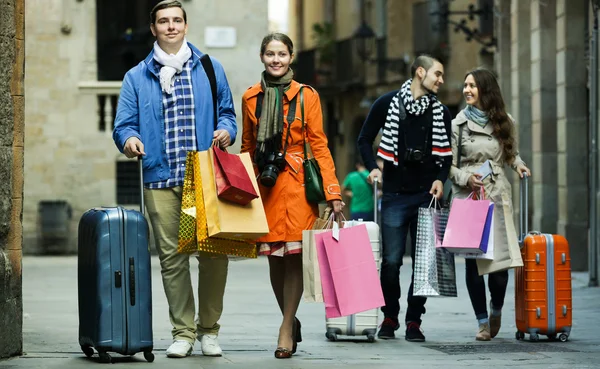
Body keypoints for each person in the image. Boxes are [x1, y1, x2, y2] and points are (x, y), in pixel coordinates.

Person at [112, 0, 236, 358]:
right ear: (153, 28)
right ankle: (183, 332)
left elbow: (227, 113)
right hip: (159, 178)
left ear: (185, 25)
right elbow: (124, 124)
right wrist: (129, 139)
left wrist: (226, 131)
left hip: (205, 177)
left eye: (177, 20)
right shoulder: (136, 76)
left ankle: (209, 330)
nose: (170, 26)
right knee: (172, 257)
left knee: (213, 255)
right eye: (163, 21)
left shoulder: (210, 67)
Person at [241, 33, 344, 359]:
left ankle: (286, 327)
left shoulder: (306, 96)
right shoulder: (250, 97)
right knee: (274, 256)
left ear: (291, 57)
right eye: (270, 54)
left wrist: (332, 191)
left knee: (295, 257)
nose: (276, 60)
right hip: (266, 187)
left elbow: (320, 144)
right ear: (262, 56)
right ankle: (290, 317)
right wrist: (244, 189)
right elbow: (246, 146)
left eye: (281, 54)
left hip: (299, 186)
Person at [357, 55, 452, 341]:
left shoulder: (440, 111)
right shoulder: (386, 103)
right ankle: (390, 315)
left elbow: (446, 154)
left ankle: (414, 320)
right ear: (420, 72)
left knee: (424, 263)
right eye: (437, 74)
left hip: (427, 195)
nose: (441, 80)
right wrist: (373, 168)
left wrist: (440, 179)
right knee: (391, 262)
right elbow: (364, 139)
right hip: (395, 195)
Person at [449, 68, 530, 341]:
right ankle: (482, 322)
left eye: (472, 85)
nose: (467, 90)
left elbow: (511, 153)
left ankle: (496, 308)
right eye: (465, 85)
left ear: (486, 89)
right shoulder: (458, 123)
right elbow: (449, 166)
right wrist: (464, 177)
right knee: (473, 264)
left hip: (496, 193)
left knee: (499, 264)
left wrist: (519, 165)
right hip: (468, 195)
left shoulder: (505, 121)